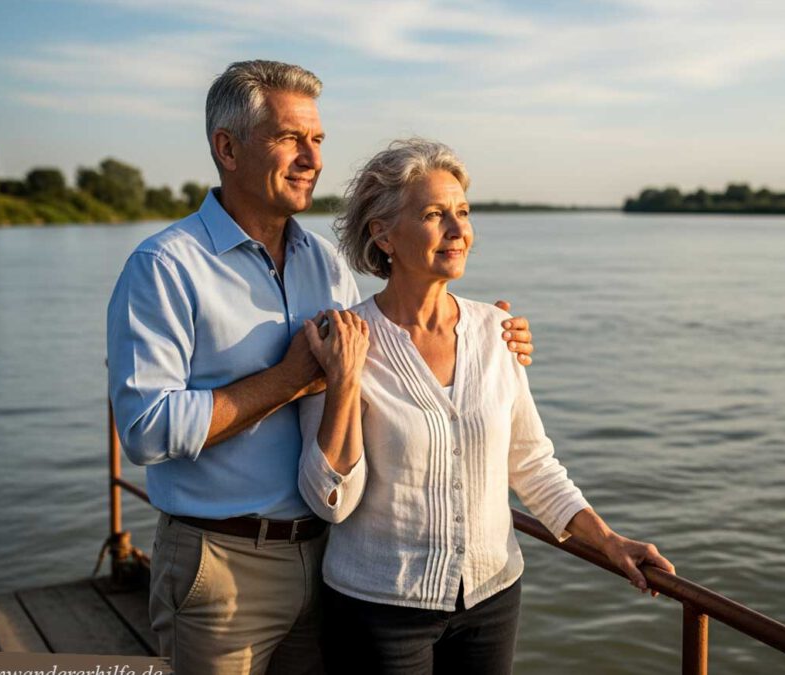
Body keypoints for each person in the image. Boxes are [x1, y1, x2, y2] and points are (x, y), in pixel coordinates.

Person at [106, 62, 534, 675]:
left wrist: (489, 339)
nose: (312, 158)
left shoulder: (327, 264)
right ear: (227, 148)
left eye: (318, 140)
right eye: (289, 138)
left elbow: (388, 338)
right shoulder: (165, 267)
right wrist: (288, 378)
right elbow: (146, 431)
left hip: (330, 560)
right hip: (222, 564)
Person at [298, 139, 676, 675]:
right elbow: (330, 502)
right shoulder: (346, 339)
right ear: (382, 233)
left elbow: (532, 464)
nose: (458, 231)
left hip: (493, 599)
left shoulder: (497, 332)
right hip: (378, 611)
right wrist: (342, 379)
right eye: (434, 215)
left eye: (463, 213)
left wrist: (610, 541)